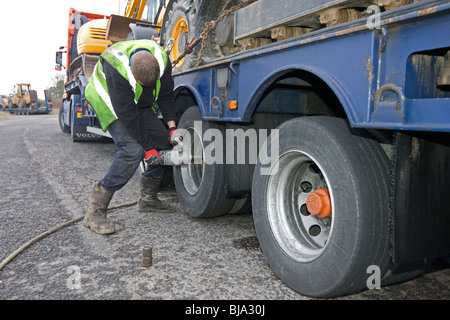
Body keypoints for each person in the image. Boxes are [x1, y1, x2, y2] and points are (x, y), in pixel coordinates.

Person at [83, 39, 181, 235]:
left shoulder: (162, 59)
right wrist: (147, 148)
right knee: (132, 150)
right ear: (132, 73)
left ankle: (148, 200)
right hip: (109, 100)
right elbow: (127, 114)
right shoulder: (115, 66)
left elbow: (166, 95)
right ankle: (95, 212)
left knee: (162, 142)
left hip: (136, 101)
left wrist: (172, 128)